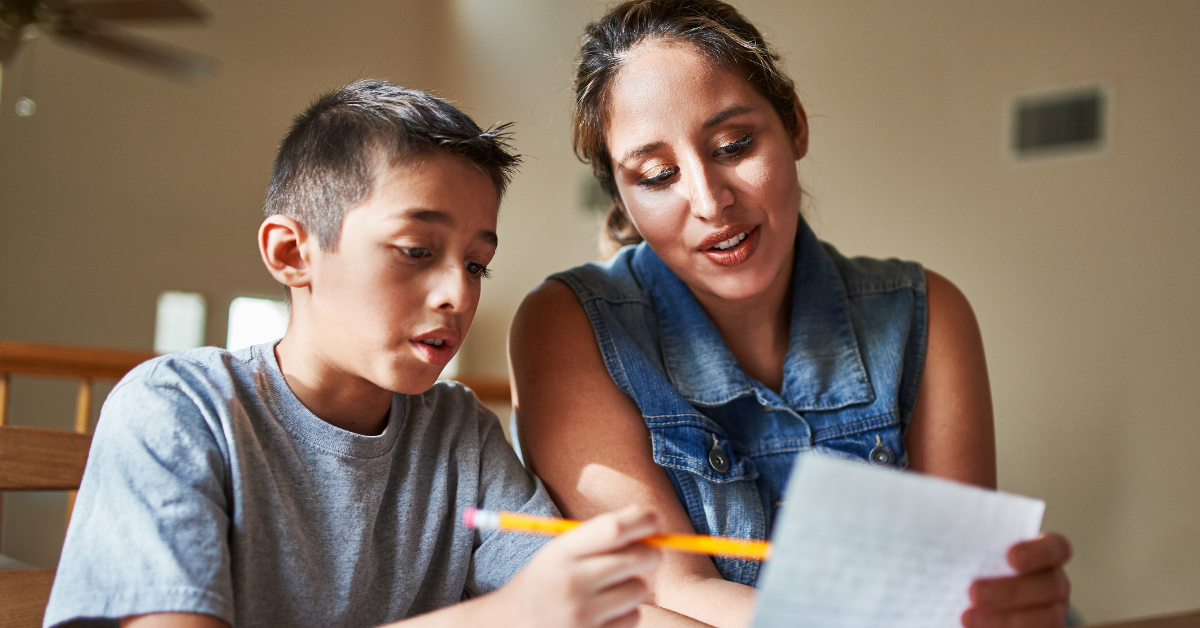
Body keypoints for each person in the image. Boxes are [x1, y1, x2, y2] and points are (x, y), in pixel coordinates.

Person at [508, 2, 1072, 627]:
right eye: (658, 174)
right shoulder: (568, 325)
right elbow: (666, 588)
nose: (709, 200)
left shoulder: (928, 314)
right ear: (622, 197)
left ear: (796, 125)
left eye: (734, 144)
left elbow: (960, 592)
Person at [44, 80, 663, 628]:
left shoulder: (460, 435)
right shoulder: (177, 409)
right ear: (292, 254)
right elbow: (530, 609)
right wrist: (508, 615)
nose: (458, 293)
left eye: (477, 264)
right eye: (417, 250)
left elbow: (598, 613)